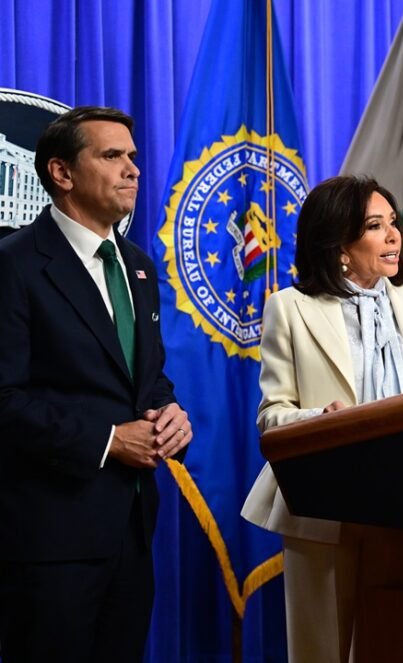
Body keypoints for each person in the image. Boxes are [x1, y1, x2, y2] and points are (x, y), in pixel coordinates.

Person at [0, 106, 193, 662]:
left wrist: (170, 411)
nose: (133, 168)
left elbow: (142, 376)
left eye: (133, 157)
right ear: (62, 173)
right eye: (112, 156)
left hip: (131, 531)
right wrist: (109, 440)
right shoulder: (13, 265)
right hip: (49, 539)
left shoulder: (137, 265)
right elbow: (5, 400)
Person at [241, 175, 403, 663]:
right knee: (324, 650)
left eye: (393, 223)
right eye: (375, 226)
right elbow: (272, 417)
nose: (395, 236)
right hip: (326, 502)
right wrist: (324, 418)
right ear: (339, 246)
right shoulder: (290, 309)